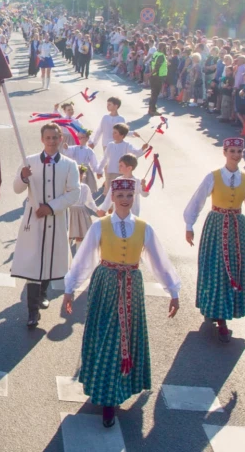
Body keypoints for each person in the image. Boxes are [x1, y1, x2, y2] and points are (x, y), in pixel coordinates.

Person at [63, 178, 181, 428]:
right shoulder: (100, 226)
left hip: (131, 287)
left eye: (130, 194)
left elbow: (158, 260)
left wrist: (173, 290)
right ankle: (107, 398)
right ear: (113, 198)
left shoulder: (144, 228)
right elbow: (84, 258)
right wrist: (70, 288)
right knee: (106, 337)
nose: (126, 199)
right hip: (105, 285)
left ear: (134, 197)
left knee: (125, 336)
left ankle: (113, 394)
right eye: (121, 195)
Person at [184, 137, 245, 343]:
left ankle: (223, 314)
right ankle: (217, 314)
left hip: (236, 227)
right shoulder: (213, 177)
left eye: (239, 152)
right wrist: (189, 224)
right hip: (216, 224)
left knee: (234, 267)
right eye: (232, 151)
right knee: (215, 267)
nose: (236, 155)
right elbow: (198, 199)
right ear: (225, 152)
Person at [11, 123, 80, 328]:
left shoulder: (69, 165)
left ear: (61, 139)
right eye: (48, 138)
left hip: (56, 219)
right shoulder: (29, 161)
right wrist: (23, 177)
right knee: (33, 264)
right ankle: (32, 312)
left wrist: (50, 207)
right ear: (42, 139)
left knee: (50, 260)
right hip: (34, 221)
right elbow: (16, 188)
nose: (51, 141)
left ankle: (42, 293)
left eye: (55, 138)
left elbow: (74, 193)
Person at [148, 43, 168, 116]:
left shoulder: (155, 53)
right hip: (158, 76)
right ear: (163, 48)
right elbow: (157, 67)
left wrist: (151, 72)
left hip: (154, 76)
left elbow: (151, 63)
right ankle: (152, 110)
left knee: (153, 93)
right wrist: (151, 73)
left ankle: (151, 109)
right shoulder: (161, 56)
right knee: (155, 94)